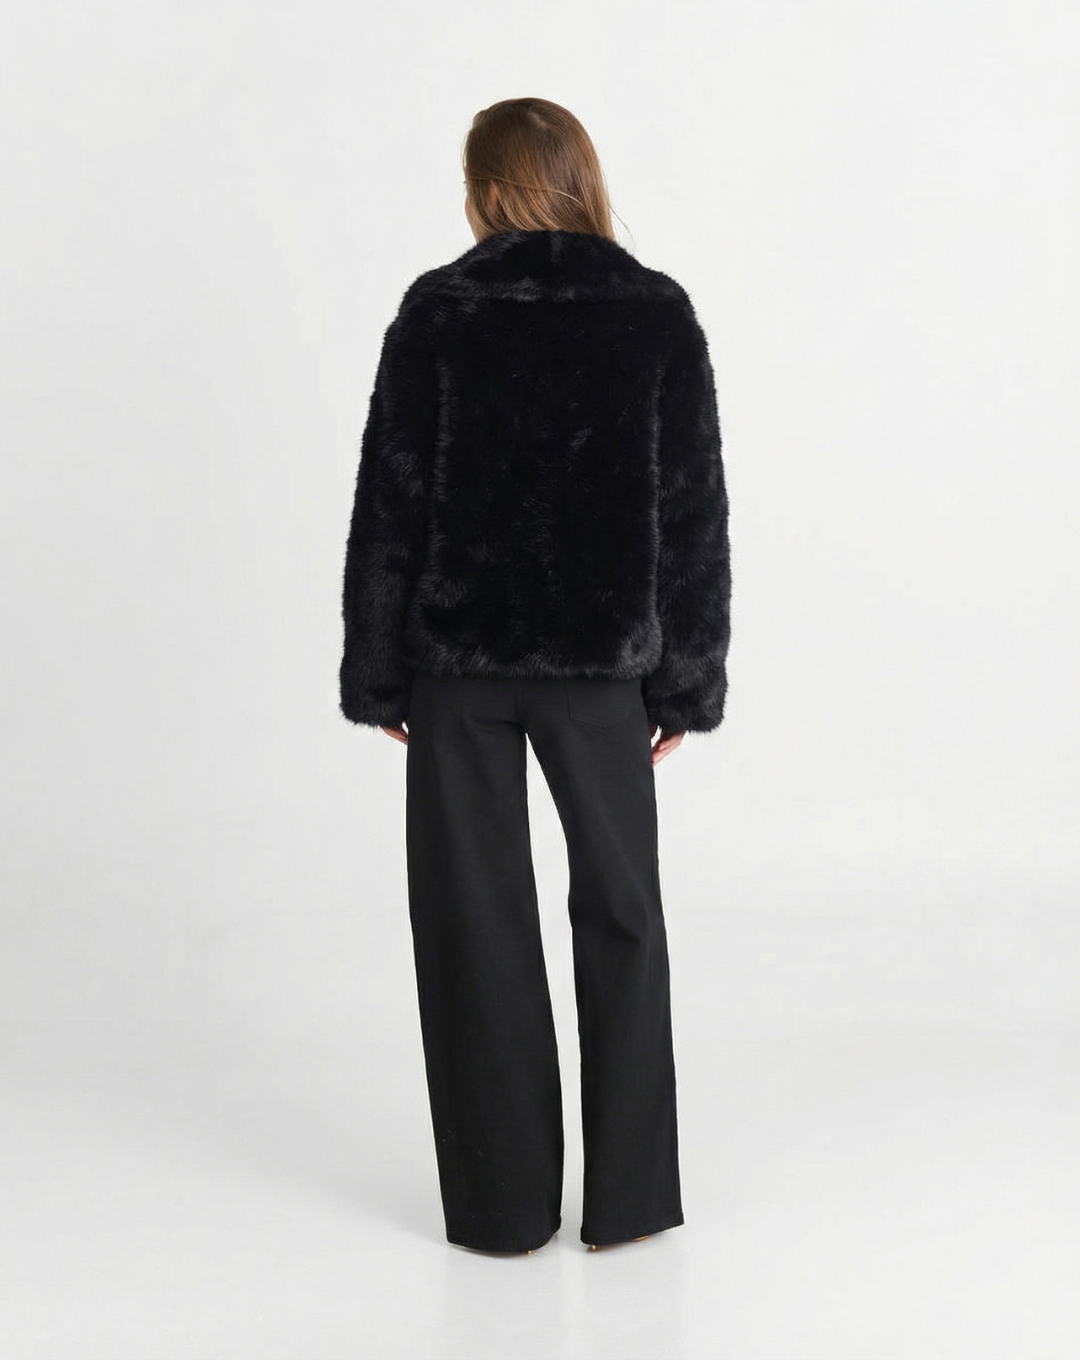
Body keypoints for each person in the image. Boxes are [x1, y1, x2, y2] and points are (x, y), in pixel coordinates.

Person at [338, 97, 731, 1255]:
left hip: (457, 669)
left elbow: (390, 503)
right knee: (623, 915)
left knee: (474, 926)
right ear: (581, 178)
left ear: (483, 192)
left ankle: (502, 1211)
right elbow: (691, 515)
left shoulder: (438, 310)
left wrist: (382, 671)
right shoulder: (654, 312)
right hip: (601, 672)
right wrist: (684, 682)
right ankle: (631, 1201)